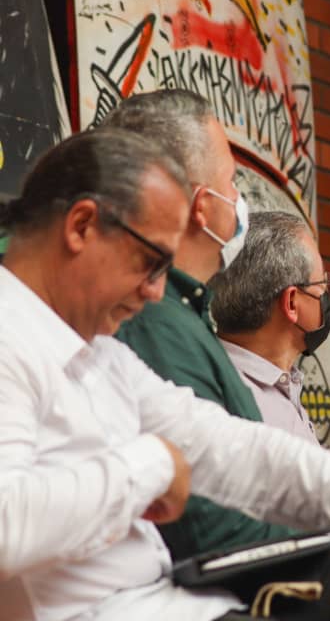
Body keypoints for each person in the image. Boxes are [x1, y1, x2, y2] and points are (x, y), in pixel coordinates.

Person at [0, 128, 330, 621]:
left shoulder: (100, 352)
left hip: (183, 601)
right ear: (82, 226)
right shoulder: (12, 334)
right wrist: (153, 464)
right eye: (150, 263)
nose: (155, 292)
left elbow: (238, 451)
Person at [103, 89, 295, 559]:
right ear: (202, 205)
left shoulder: (182, 315)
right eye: (232, 183)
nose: (240, 201)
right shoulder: (156, 324)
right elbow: (208, 527)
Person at [209, 211, 330, 443]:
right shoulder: (240, 405)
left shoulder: (216, 378)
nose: (327, 296)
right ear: (292, 302)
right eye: (323, 284)